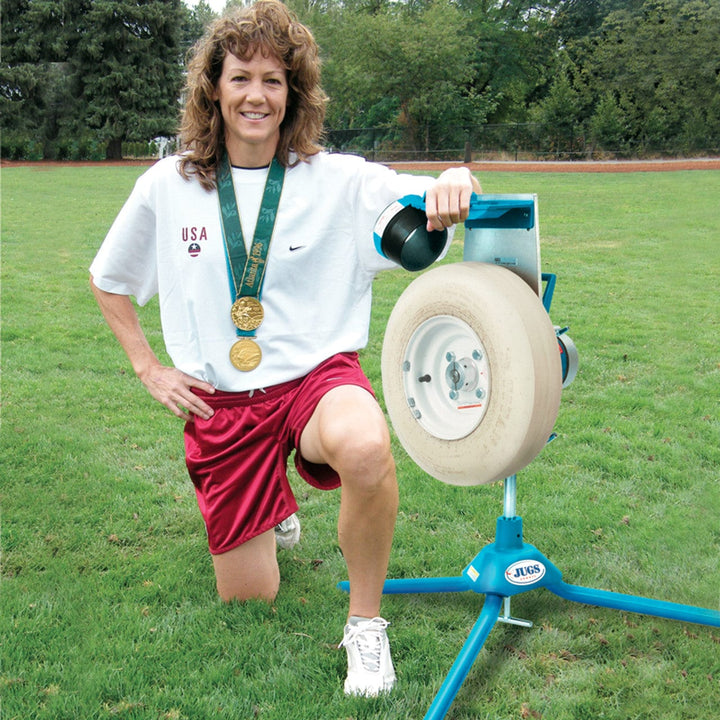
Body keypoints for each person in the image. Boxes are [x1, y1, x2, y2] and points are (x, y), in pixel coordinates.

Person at [90, 0, 481, 698]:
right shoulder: (168, 185)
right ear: (214, 88)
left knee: (365, 446)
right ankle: (275, 505)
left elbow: (432, 198)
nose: (257, 95)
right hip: (223, 404)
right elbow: (109, 279)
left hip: (314, 380)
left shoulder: (338, 179)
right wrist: (147, 367)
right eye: (241, 77)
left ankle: (366, 627)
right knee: (249, 598)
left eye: (273, 80)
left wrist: (456, 179)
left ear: (292, 93)